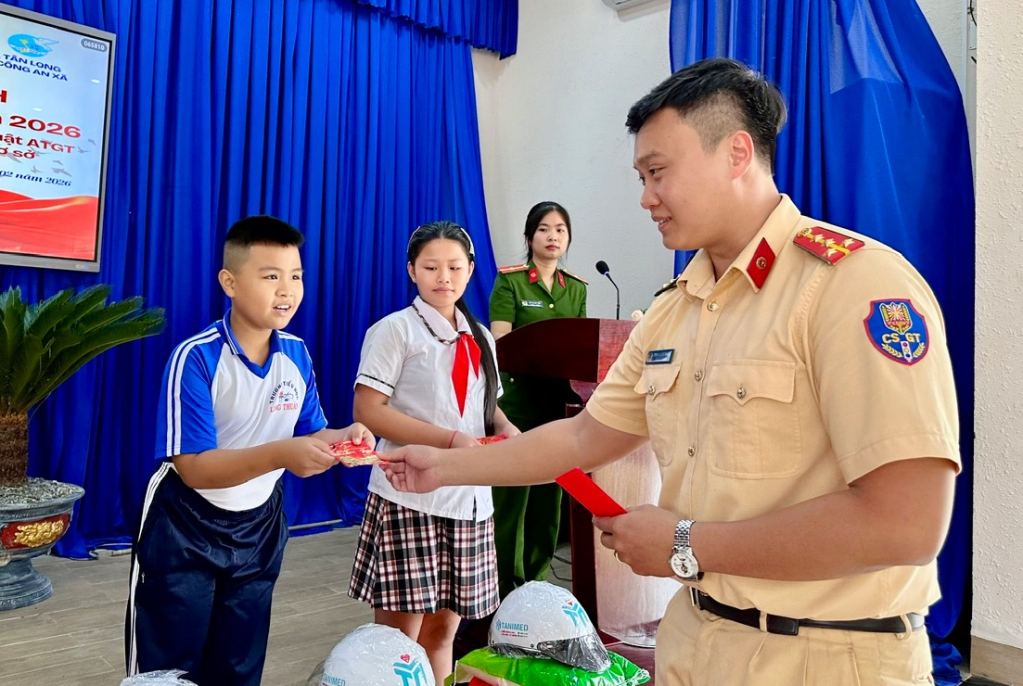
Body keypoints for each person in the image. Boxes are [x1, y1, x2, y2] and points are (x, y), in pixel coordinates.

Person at [381, 58, 960, 686]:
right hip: (694, 643)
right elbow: (582, 439)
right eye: (641, 176)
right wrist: (444, 465)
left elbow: (906, 522)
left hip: (826, 657)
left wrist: (685, 545)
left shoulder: (853, 286)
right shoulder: (672, 310)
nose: (645, 197)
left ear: (738, 152)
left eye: (658, 172)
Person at [124, 215, 374, 686]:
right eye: (271, 276)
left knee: (240, 663)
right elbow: (194, 468)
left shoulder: (297, 355)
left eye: (296, 276)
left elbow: (312, 432)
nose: (287, 290)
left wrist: (346, 438)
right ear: (230, 282)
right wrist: (284, 454)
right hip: (185, 525)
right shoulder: (195, 358)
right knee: (169, 668)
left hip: (259, 526)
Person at [347, 221, 520, 683]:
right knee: (398, 641)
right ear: (412, 271)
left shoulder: (480, 335)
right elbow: (369, 409)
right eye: (431, 267)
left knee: (444, 631)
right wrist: (449, 441)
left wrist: (511, 431)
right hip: (409, 497)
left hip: (469, 500)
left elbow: (487, 409)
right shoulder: (395, 331)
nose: (443, 276)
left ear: (469, 271)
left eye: (454, 266)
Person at [488, 200, 587, 598]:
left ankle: (537, 578)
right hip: (517, 402)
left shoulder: (576, 288)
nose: (552, 236)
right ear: (529, 237)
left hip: (558, 404)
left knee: (550, 493)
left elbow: (581, 347)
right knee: (513, 494)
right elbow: (500, 343)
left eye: (560, 230)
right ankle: (503, 581)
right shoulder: (510, 282)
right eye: (544, 229)